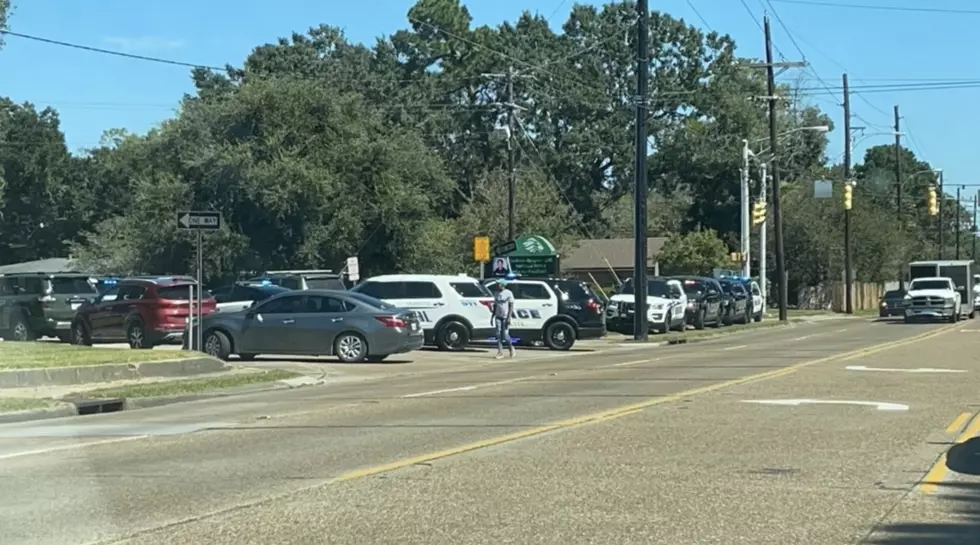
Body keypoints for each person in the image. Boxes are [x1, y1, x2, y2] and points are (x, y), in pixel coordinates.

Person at [490, 278, 516, 359]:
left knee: (505, 335)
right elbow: (495, 305)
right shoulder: (496, 293)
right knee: (498, 334)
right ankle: (500, 352)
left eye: (499, 284)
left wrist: (509, 317)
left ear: (503, 285)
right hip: (498, 316)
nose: (497, 285)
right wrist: (492, 316)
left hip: (505, 317)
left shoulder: (508, 293)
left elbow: (511, 306)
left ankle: (511, 347)